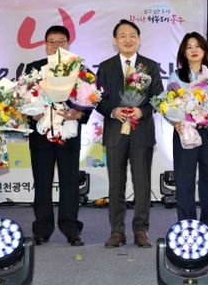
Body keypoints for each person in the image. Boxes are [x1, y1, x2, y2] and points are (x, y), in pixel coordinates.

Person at [95, 19, 163, 248]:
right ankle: (117, 231)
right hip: (115, 132)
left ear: (139, 39)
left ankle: (141, 230)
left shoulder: (150, 66)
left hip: (141, 132)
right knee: (116, 184)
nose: (128, 39)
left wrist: (142, 111)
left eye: (132, 35)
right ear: (115, 40)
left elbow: (158, 98)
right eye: (122, 35)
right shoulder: (105, 67)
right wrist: (112, 111)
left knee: (142, 184)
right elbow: (96, 99)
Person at [26, 25, 88, 246]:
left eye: (61, 41)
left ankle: (71, 228)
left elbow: (90, 98)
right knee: (42, 182)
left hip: (68, 132)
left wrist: (79, 112)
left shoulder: (79, 68)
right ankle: (42, 228)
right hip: (42, 133)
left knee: (69, 182)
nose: (56, 46)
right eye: (52, 42)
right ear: (45, 45)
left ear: (68, 44)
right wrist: (31, 113)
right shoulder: (34, 68)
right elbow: (22, 98)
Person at [167, 32, 208, 235]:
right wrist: (176, 121)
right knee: (184, 183)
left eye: (197, 45)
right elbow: (169, 104)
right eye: (189, 46)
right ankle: (187, 229)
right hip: (185, 133)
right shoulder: (176, 77)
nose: (193, 50)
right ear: (183, 52)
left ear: (205, 50)